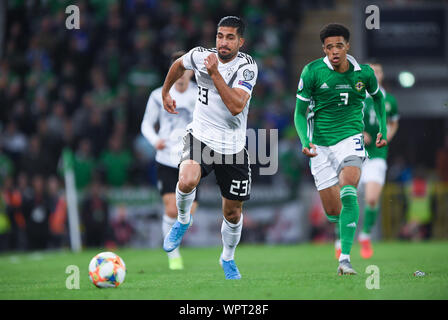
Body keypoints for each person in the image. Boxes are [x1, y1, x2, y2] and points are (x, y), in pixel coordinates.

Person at [161, 16, 258, 279]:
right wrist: (165, 92)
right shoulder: (201, 55)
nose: (223, 42)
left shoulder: (247, 67)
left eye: (229, 37)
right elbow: (178, 65)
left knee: (233, 212)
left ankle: (227, 258)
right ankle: (182, 220)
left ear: (240, 41)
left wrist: (214, 73)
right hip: (201, 137)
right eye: (220, 36)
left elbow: (236, 105)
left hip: (233, 147)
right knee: (187, 179)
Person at [294, 23, 387, 275]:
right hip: (320, 145)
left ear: (347, 46)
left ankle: (345, 259)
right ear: (323, 49)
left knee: (349, 190)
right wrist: (305, 141)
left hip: (350, 138)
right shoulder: (312, 72)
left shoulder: (363, 74)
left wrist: (382, 129)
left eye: (339, 46)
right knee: (333, 211)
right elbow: (299, 114)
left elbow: (378, 98)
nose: (334, 51)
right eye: (329, 47)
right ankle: (342, 233)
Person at [141, 51, 199, 270]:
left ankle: (176, 237)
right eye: (179, 69)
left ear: (193, 73)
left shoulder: (199, 95)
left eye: (187, 69)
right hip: (166, 158)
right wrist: (155, 140)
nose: (183, 74)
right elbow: (146, 123)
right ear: (172, 71)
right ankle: (173, 255)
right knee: (171, 209)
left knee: (189, 213)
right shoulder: (158, 95)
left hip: (192, 157)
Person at [350, 62, 399, 259]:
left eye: (377, 71)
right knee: (347, 200)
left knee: (371, 198)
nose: (374, 74)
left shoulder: (389, 100)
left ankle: (365, 235)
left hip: (377, 155)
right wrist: (359, 132)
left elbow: (393, 122)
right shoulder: (356, 94)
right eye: (370, 71)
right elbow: (344, 118)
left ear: (382, 74)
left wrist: (385, 135)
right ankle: (340, 239)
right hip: (354, 153)